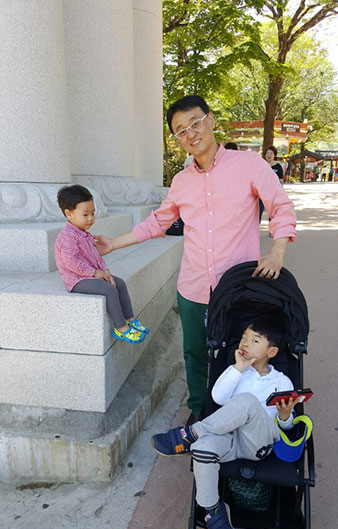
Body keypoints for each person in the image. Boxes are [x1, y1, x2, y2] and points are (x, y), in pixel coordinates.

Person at [95, 95, 296, 424]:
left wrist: (277, 250)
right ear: (177, 140)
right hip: (192, 287)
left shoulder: (249, 166)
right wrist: (113, 244)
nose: (190, 133)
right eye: (180, 130)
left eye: (195, 122)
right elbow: (156, 223)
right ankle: (199, 408)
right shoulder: (181, 182)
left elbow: (281, 207)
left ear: (211, 120)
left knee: (239, 350)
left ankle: (235, 411)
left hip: (237, 287)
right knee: (195, 353)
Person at [150, 316, 299, 529]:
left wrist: (284, 415)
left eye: (255, 340)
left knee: (248, 403)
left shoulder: (281, 381)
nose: (245, 343)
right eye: (243, 338)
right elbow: (218, 398)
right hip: (230, 439)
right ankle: (213, 512)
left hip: (259, 443)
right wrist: (239, 368)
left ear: (272, 352)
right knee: (203, 448)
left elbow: (288, 427)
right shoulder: (237, 372)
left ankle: (189, 434)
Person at [55, 185, 149, 344]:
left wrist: (105, 271)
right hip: (77, 280)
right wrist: (95, 273)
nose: (91, 218)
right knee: (109, 289)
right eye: (85, 214)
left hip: (91, 275)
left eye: (93, 213)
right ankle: (121, 328)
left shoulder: (85, 234)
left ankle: (130, 319)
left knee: (118, 283)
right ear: (68, 214)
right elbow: (70, 262)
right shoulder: (67, 237)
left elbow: (95, 256)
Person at [259, 145, 284, 223]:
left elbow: (280, 181)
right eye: (267, 153)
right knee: (258, 211)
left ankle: (272, 229)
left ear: (274, 155)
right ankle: (255, 230)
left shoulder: (278, 166)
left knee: (272, 212)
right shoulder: (261, 165)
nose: (269, 155)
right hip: (261, 192)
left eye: (271, 153)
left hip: (273, 192)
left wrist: (280, 192)